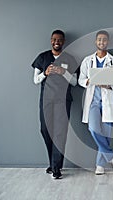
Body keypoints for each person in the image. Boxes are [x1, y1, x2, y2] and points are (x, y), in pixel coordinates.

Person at [31, 30, 78, 179]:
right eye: (54, 39)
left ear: (63, 42)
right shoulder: (42, 57)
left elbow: (75, 82)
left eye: (59, 40)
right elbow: (35, 80)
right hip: (46, 100)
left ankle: (56, 168)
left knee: (59, 133)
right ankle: (53, 162)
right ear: (51, 40)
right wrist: (45, 73)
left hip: (63, 101)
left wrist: (63, 71)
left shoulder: (69, 59)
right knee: (45, 130)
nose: (56, 42)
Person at [78, 30, 113, 175]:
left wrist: (109, 85)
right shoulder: (87, 60)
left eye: (104, 40)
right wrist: (89, 81)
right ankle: (111, 155)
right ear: (95, 42)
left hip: (107, 100)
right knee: (93, 129)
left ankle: (100, 165)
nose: (101, 42)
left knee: (106, 134)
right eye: (99, 40)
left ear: (107, 42)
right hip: (93, 102)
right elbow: (80, 79)